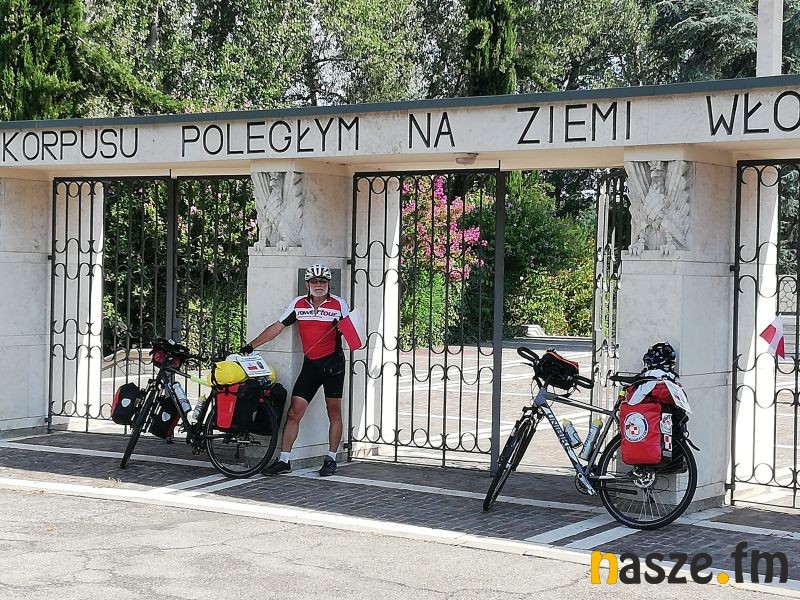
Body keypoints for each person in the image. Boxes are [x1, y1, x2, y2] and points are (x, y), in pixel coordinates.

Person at [240, 264, 348, 477]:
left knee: (333, 412)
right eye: (314, 281)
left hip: (333, 365)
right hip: (311, 365)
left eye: (323, 281)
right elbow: (278, 327)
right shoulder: (298, 304)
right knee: (294, 412)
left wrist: (343, 328)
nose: (319, 285)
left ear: (329, 283)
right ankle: (284, 460)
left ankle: (331, 459)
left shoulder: (339, 304)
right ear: (307, 284)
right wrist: (251, 345)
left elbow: (353, 332)